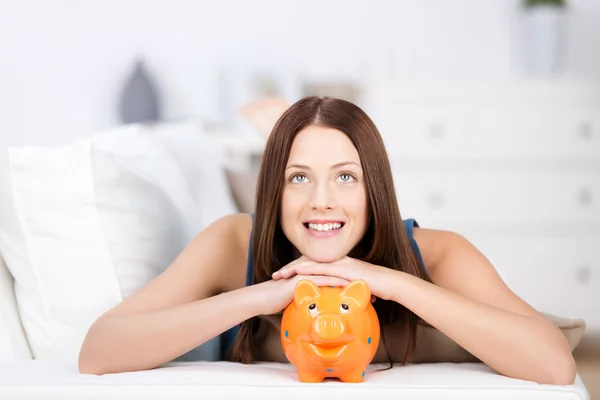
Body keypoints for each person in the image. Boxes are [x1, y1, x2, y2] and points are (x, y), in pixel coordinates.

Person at [78, 96, 576, 385]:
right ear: (274, 186)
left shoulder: (441, 254)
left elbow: (555, 364)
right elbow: (98, 352)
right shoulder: (233, 243)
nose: (321, 201)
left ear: (373, 188)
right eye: (298, 178)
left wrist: (394, 284)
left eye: (345, 178)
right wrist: (260, 296)